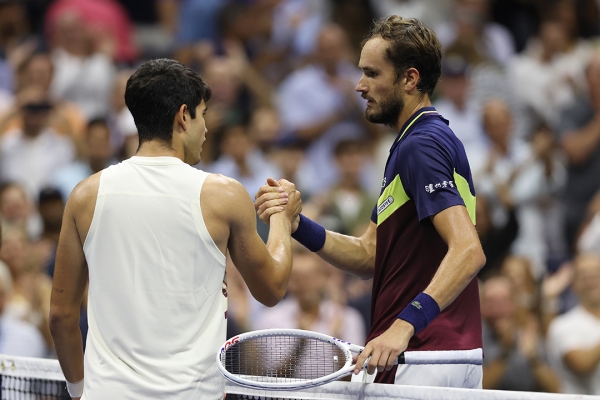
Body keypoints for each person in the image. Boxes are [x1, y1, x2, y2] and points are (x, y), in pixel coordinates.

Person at [49, 59, 301, 400]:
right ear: (184, 116)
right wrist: (282, 218)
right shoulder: (224, 195)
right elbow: (271, 289)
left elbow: (61, 316)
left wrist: (79, 391)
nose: (206, 129)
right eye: (203, 115)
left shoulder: (84, 196)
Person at [255, 15, 486, 388]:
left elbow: (468, 250)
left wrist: (404, 325)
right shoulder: (417, 142)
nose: (359, 85)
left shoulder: (421, 145)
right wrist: (298, 225)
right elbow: (369, 255)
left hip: (423, 355)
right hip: (440, 354)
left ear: (409, 79)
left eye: (372, 73)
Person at [547, 252, 600, 395]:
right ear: (573, 284)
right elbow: (581, 365)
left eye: (596, 274)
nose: (591, 280)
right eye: (584, 276)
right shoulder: (562, 325)